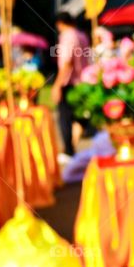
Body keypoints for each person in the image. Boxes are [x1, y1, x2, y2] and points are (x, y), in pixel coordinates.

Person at [52, 11, 90, 162]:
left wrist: (57, 85)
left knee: (65, 117)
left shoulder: (67, 37)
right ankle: (72, 145)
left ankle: (68, 150)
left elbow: (67, 63)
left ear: (60, 24)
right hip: (82, 81)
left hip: (69, 82)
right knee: (80, 115)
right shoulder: (82, 36)